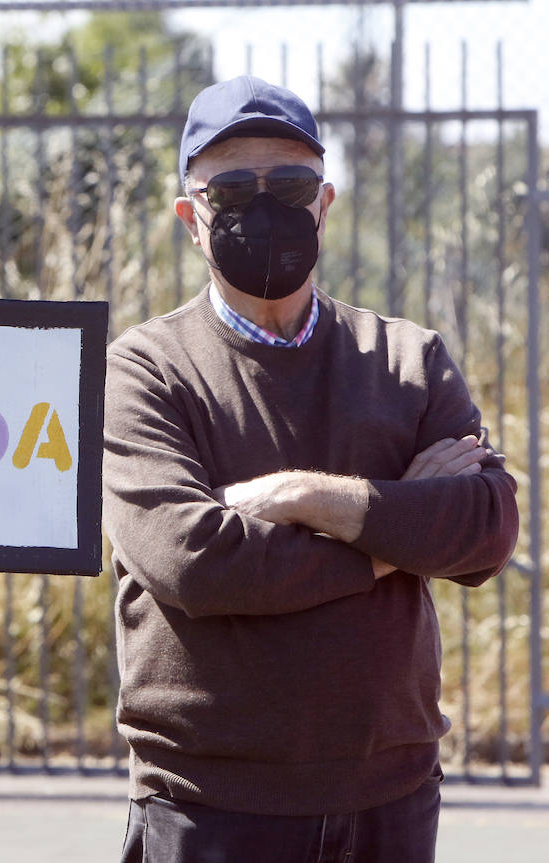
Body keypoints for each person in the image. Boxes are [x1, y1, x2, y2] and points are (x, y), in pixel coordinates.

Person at [102, 75, 518, 863]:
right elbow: (193, 559)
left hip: (389, 800)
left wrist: (308, 496)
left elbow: (486, 527)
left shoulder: (408, 359)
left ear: (324, 204)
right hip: (208, 803)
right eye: (231, 190)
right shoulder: (145, 371)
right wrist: (396, 531)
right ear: (191, 219)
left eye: (289, 185)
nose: (263, 210)